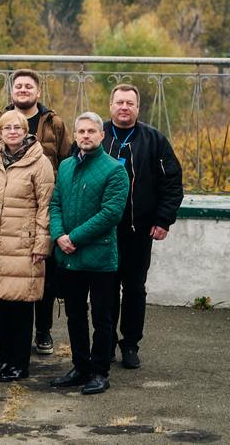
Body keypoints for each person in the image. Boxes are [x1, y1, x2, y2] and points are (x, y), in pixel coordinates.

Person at [102, 84, 183, 371]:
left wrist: (163, 220)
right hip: (103, 231)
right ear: (111, 105)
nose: (124, 108)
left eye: (130, 103)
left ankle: (131, 344)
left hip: (139, 230)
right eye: (120, 102)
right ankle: (105, 342)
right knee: (105, 289)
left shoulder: (154, 140)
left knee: (134, 288)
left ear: (138, 108)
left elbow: (172, 182)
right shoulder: (97, 136)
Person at [49, 113, 129, 396]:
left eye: (91, 131)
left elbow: (111, 214)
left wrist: (74, 237)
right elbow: (55, 203)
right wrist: (59, 235)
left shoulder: (114, 170)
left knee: (102, 318)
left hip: (99, 259)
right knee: (74, 315)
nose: (85, 136)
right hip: (69, 256)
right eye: (81, 131)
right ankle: (80, 366)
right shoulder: (67, 166)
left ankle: (99, 371)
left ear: (101, 135)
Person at [0, 69, 72, 357]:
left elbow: (66, 162)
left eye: (29, 86)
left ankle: (43, 331)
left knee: (44, 273)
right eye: (19, 86)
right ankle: (13, 338)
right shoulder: (2, 121)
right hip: (11, 208)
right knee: (11, 274)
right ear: (12, 91)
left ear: (38, 92)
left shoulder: (54, 123)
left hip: (44, 205)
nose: (23, 90)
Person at [0, 109, 54, 383]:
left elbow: (45, 206)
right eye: (6, 127)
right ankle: (4, 361)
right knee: (1, 306)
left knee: (21, 307)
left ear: (26, 131)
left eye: (17, 127)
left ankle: (19, 363)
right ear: (0, 132)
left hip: (24, 244)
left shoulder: (39, 162)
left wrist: (41, 243)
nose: (12, 131)